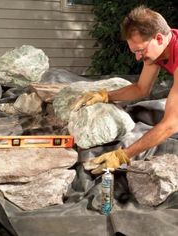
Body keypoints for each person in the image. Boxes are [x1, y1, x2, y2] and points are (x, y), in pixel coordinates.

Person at [71, 5, 178, 174]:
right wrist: (105, 96)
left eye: (140, 50)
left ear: (158, 38)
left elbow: (171, 125)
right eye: (134, 52)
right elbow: (141, 88)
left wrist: (123, 155)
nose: (138, 57)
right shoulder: (160, 48)